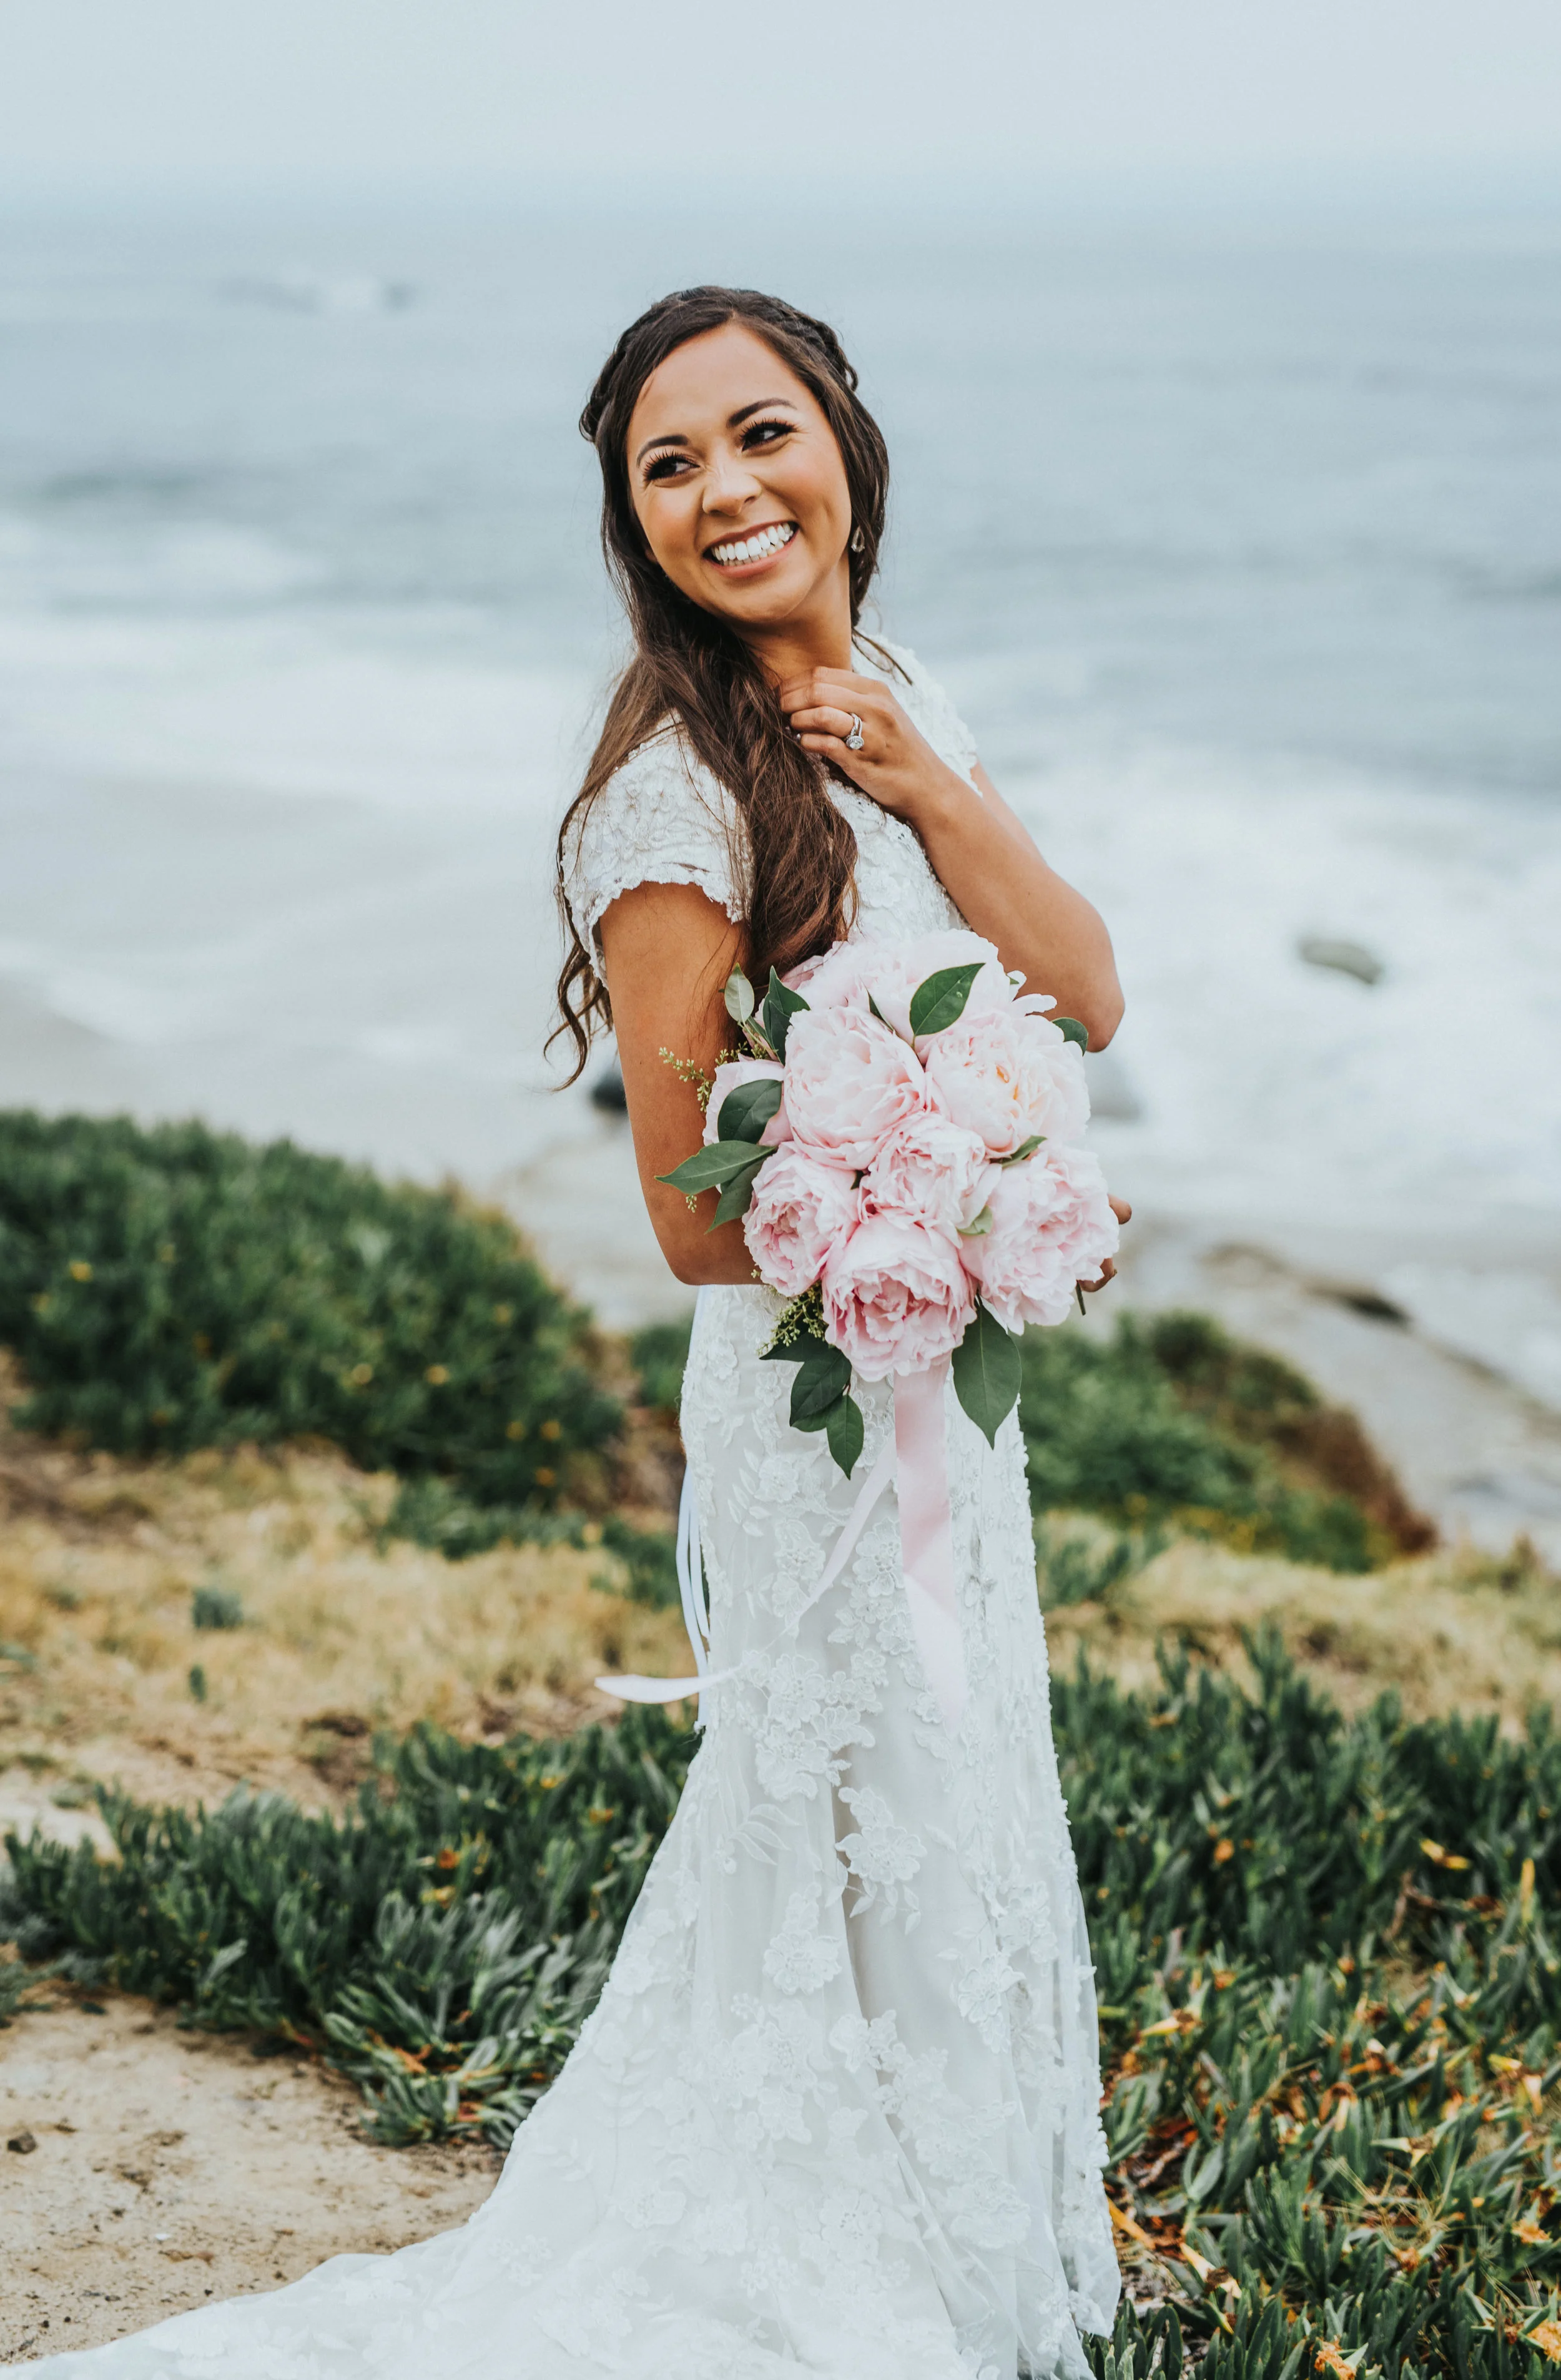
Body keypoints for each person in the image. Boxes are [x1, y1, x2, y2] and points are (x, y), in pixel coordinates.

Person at [31, 286, 1127, 2380]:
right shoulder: (666, 800)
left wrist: (920, 781)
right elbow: (688, 1215)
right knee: (838, 1806)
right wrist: (941, 1218)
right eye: (669, 465)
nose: (727, 488)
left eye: (759, 432)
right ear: (635, 526)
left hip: (939, 1397)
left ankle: (956, 2204)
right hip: (823, 1403)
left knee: (957, 1781)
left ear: (844, 447)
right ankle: (817, 2246)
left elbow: (1078, 987)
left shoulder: (902, 697)